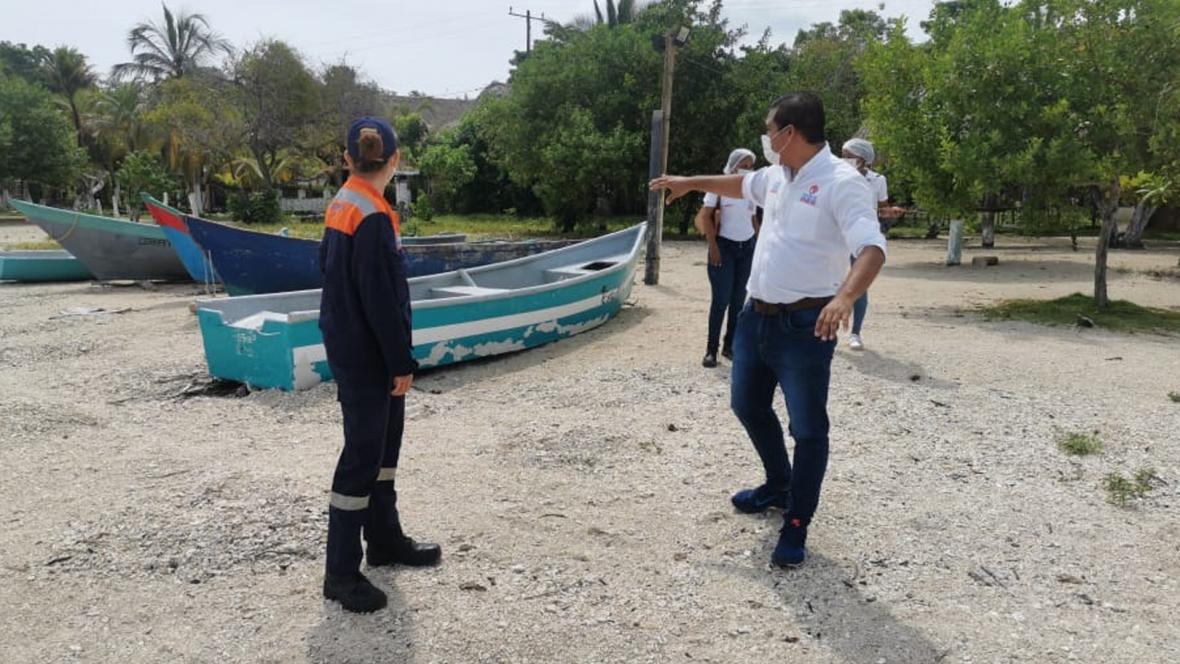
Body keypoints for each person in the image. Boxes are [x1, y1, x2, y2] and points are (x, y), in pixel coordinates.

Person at [650, 92, 886, 568]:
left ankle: (797, 522)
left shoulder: (843, 183)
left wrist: (844, 298)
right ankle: (778, 483)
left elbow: (871, 247)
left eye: (769, 128)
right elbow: (740, 185)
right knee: (747, 404)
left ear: (789, 134)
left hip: (806, 324)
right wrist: (688, 182)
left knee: (808, 428)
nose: (766, 135)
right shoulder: (778, 176)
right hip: (756, 316)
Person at [318, 117, 441, 613]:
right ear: (396, 160)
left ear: (348, 159)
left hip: (350, 346)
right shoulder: (371, 213)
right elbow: (380, 300)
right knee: (362, 458)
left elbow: (326, 271)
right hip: (367, 355)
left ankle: (385, 540)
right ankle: (341, 574)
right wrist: (400, 360)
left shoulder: (344, 203)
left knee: (384, 452)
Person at [696, 148, 758, 368]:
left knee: (738, 301)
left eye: (751, 165)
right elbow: (705, 216)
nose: (748, 169)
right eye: (744, 164)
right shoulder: (719, 187)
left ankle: (730, 346)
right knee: (721, 300)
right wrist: (713, 247)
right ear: (733, 165)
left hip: (747, 248)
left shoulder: (751, 189)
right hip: (724, 247)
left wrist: (759, 243)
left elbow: (752, 219)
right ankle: (710, 350)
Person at [840, 138, 899, 351]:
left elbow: (881, 207)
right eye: (843, 154)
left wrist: (890, 212)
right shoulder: (838, 175)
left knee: (859, 284)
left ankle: (855, 333)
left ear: (863, 158)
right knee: (828, 279)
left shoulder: (877, 180)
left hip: (862, 234)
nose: (844, 159)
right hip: (838, 233)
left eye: (849, 155)